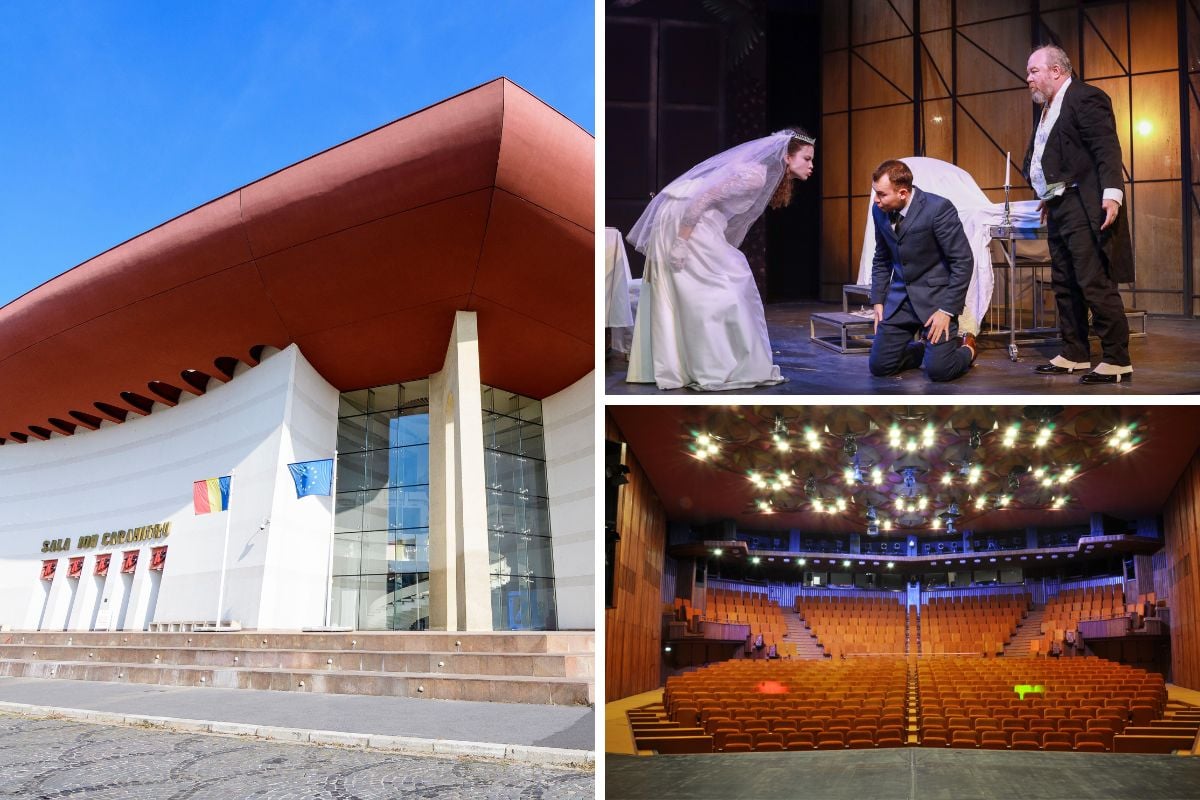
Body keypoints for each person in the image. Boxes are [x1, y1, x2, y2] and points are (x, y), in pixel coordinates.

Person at [625, 128, 815, 391]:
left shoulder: (761, 175)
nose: (811, 165)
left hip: (693, 219)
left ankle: (691, 362)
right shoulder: (754, 177)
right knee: (723, 287)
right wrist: (681, 242)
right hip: (686, 219)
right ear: (786, 157)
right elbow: (702, 200)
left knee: (714, 285)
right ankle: (715, 364)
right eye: (806, 158)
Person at [1022, 45, 1134, 384]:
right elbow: (1058, 157)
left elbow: (1106, 147)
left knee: (1092, 280)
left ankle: (1116, 358)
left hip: (1084, 205)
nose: (1028, 79)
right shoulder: (1048, 108)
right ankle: (1074, 352)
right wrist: (1047, 194)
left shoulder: (1085, 97)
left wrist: (1112, 194)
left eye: (1033, 71)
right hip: (1059, 204)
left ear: (1056, 70)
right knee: (1064, 282)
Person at [868, 159, 977, 383]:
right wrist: (878, 300)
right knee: (879, 367)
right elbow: (882, 258)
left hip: (935, 302)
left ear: (903, 193)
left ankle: (967, 348)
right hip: (901, 301)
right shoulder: (879, 211)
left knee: (939, 371)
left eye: (881, 194)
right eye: (875, 193)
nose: (876, 200)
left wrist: (946, 310)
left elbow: (963, 260)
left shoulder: (938, 208)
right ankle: (921, 349)